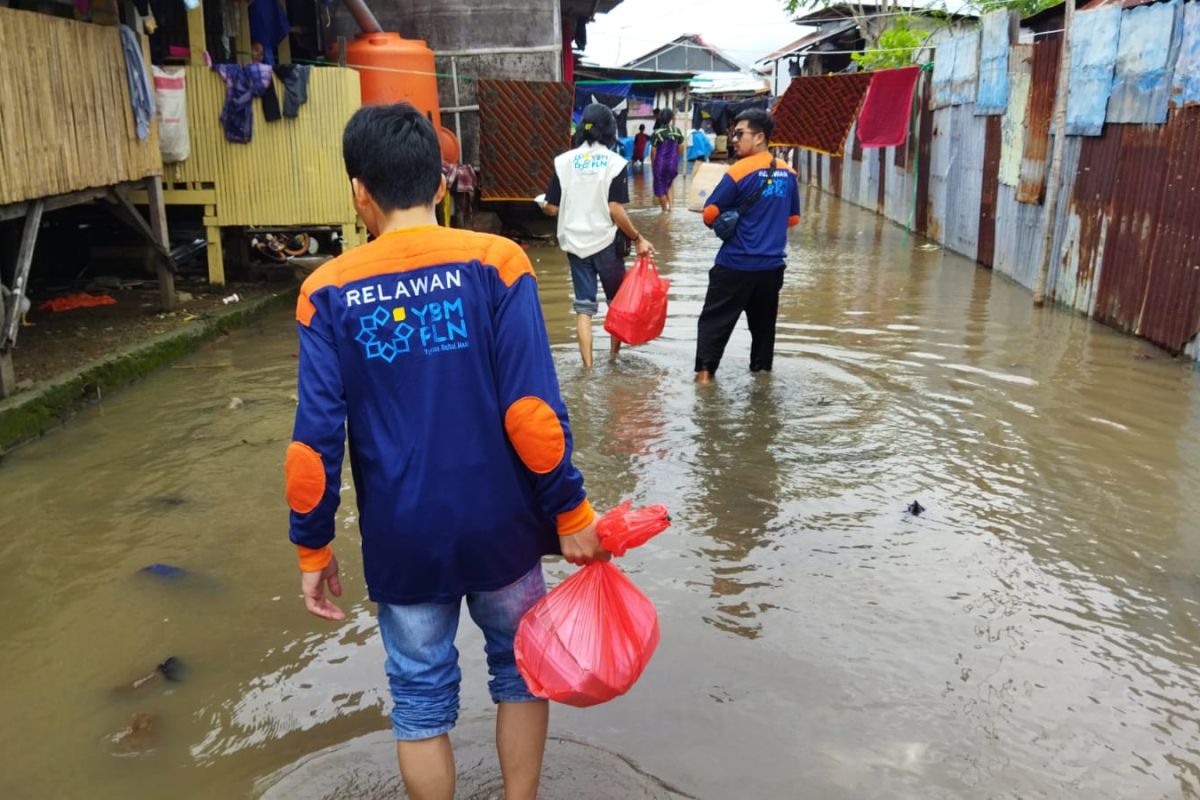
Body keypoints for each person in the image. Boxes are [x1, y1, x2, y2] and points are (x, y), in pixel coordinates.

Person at [285, 103, 610, 800]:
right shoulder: (498, 261)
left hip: (404, 539)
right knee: (522, 671)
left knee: (420, 703)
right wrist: (572, 508)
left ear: (359, 191)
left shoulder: (325, 292)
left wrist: (313, 550)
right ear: (440, 184)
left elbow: (313, 446)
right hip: (504, 528)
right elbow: (530, 412)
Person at [540, 103, 654, 368]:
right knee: (616, 304)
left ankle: (588, 368)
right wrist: (638, 238)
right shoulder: (615, 163)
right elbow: (615, 209)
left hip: (575, 245)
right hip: (606, 246)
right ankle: (613, 359)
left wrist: (543, 205)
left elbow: (552, 207)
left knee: (583, 309)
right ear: (610, 131)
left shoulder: (563, 161)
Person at [695, 108, 800, 384]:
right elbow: (793, 218)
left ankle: (704, 382)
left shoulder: (738, 171)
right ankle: (762, 382)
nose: (733, 139)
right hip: (772, 268)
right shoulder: (789, 173)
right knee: (764, 331)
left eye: (739, 134)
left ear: (759, 137)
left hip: (734, 265)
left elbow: (709, 214)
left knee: (713, 325)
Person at [649, 109, 686, 212]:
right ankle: (671, 209)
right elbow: (681, 146)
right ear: (671, 118)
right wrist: (676, 158)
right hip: (673, 164)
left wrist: (653, 165)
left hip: (660, 164)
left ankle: (664, 212)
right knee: (668, 184)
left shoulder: (657, 133)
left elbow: (653, 151)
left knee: (660, 188)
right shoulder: (677, 131)